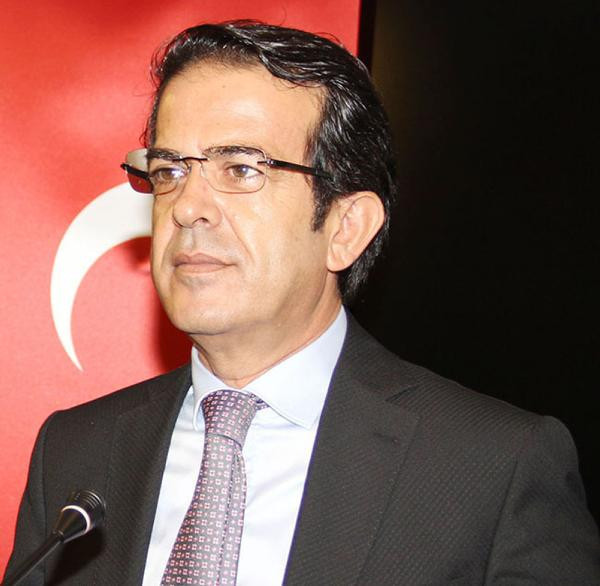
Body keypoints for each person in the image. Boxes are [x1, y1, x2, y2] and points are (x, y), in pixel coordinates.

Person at [5, 21, 599, 586]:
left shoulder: (493, 468)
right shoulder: (76, 452)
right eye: (169, 171)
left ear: (346, 227)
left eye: (241, 168)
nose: (186, 207)